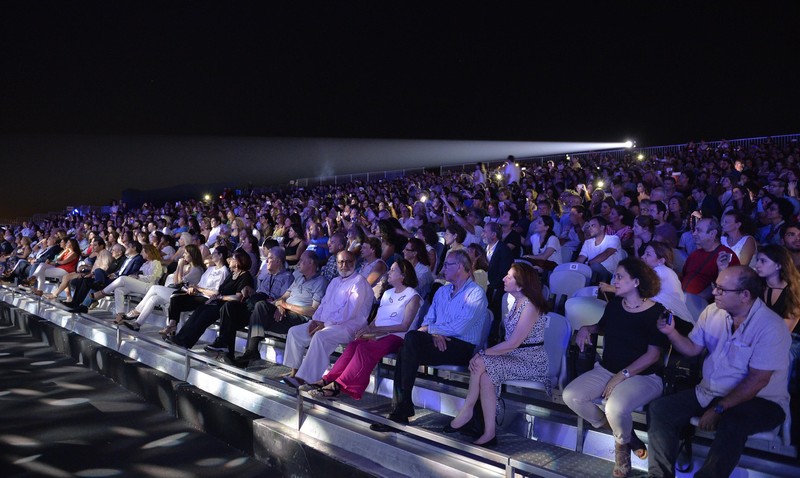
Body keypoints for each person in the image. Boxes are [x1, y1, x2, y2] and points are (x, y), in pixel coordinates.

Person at [648, 266, 791, 478]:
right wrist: (671, 333)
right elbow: (692, 349)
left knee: (733, 421)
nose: (714, 292)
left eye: (722, 290)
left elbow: (758, 380)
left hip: (762, 400)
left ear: (744, 296)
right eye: (716, 286)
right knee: (661, 409)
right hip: (710, 393)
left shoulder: (771, 326)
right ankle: (658, 476)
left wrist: (719, 409)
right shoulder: (712, 312)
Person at [563, 257, 668, 478]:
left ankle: (622, 458)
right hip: (607, 370)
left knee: (615, 408)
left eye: (620, 277)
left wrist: (622, 375)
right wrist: (586, 328)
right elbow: (601, 327)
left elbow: (653, 355)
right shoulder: (614, 306)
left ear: (636, 282)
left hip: (644, 376)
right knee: (571, 396)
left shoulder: (656, 311)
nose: (615, 281)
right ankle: (627, 437)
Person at [372, 249, 487, 429]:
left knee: (410, 341)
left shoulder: (476, 293)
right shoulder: (442, 291)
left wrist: (432, 330)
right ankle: (400, 408)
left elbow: (460, 327)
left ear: (459, 267)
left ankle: (401, 409)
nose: (443, 268)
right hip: (436, 341)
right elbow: (428, 320)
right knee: (409, 344)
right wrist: (433, 333)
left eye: (447, 265)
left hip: (462, 347)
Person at [444, 262, 550, 447]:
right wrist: (483, 356)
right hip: (513, 357)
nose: (503, 278)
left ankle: (467, 409)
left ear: (521, 284)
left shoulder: (530, 307)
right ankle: (489, 432)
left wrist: (483, 354)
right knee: (485, 377)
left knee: (481, 362)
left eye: (509, 276)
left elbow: (514, 343)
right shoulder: (514, 302)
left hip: (531, 361)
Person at [302, 259, 421, 399]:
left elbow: (405, 326)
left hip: (397, 336)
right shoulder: (388, 293)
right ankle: (328, 379)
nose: (389, 272)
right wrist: (366, 329)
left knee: (364, 349)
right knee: (354, 344)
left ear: (403, 276)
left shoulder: (413, 296)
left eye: (393, 270)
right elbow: (377, 320)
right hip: (379, 333)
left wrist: (376, 331)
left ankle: (338, 385)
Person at [281, 251, 373, 387]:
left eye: (348, 262)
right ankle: (294, 372)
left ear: (355, 263)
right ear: (336, 264)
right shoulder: (335, 281)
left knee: (320, 337)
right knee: (295, 332)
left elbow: (349, 313)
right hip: (325, 324)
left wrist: (324, 324)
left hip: (348, 328)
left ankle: (306, 379)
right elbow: (323, 304)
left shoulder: (359, 282)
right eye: (341, 262)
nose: (344, 265)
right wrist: (315, 320)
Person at [232, 250, 327, 365]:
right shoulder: (299, 279)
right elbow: (283, 297)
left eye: (302, 261)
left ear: (311, 263)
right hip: (285, 313)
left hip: (299, 319)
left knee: (257, 315)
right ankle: (251, 351)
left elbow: (313, 311)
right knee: (260, 306)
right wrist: (279, 306)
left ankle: (250, 352)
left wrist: (286, 306)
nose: (298, 263)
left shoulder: (320, 282)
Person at [206, 246, 295, 362]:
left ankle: (243, 352)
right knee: (229, 307)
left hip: (267, 310)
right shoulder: (267, 276)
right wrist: (250, 290)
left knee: (254, 307)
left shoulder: (288, 278)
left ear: (278, 261)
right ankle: (223, 344)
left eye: (269, 258)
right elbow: (258, 293)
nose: (266, 261)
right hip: (254, 304)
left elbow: (283, 299)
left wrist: (271, 300)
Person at [167, 250, 254, 348]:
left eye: (232, 258)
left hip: (228, 306)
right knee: (198, 312)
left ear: (238, 262)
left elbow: (238, 297)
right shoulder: (232, 274)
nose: (228, 260)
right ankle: (180, 338)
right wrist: (214, 298)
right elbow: (221, 290)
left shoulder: (245, 277)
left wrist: (220, 297)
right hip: (218, 301)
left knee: (204, 316)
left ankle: (186, 341)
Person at [119, 245, 206, 331]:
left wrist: (179, 266)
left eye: (186, 253)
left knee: (154, 288)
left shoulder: (197, 270)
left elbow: (178, 282)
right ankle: (137, 324)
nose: (183, 255)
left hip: (184, 296)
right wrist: (180, 267)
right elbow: (176, 280)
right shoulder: (186, 266)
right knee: (153, 298)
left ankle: (136, 311)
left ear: (192, 255)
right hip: (176, 292)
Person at [159, 246, 231, 338]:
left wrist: (199, 289)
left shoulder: (224, 272)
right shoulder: (210, 269)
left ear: (220, 255)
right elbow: (199, 284)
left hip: (207, 298)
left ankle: (172, 327)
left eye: (214, 253)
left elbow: (216, 292)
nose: (212, 255)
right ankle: (172, 325)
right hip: (199, 294)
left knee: (176, 300)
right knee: (175, 296)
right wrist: (193, 288)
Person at [682, 217, 740, 320]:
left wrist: (696, 299)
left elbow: (729, 290)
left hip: (703, 311)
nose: (694, 234)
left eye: (698, 230)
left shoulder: (726, 256)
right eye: (694, 230)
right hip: (682, 304)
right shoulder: (694, 254)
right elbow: (683, 276)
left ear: (712, 233)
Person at [93, 244, 164, 316]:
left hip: (149, 286)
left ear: (148, 253)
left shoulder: (156, 263)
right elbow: (140, 274)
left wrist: (137, 277)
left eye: (143, 251)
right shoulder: (145, 264)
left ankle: (102, 293)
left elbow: (153, 278)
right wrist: (135, 277)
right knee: (119, 289)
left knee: (122, 278)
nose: (141, 253)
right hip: (140, 284)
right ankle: (120, 314)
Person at [576, 216, 622, 283]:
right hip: (592, 271)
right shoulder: (587, 242)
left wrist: (588, 264)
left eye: (593, 226)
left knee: (595, 266)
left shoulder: (613, 239)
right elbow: (580, 259)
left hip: (610, 274)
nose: (590, 228)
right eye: (589, 226)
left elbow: (606, 254)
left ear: (602, 227)